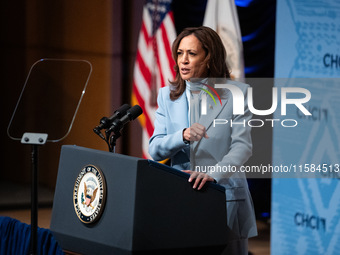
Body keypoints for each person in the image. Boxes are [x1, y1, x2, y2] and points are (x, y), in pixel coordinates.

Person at [148, 26, 257, 255]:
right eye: (180, 53)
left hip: (224, 197)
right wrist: (182, 136)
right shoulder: (167, 96)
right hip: (181, 200)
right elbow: (155, 150)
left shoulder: (237, 94)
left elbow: (242, 147)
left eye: (192, 53)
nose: (183, 60)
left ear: (209, 57)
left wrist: (212, 175)